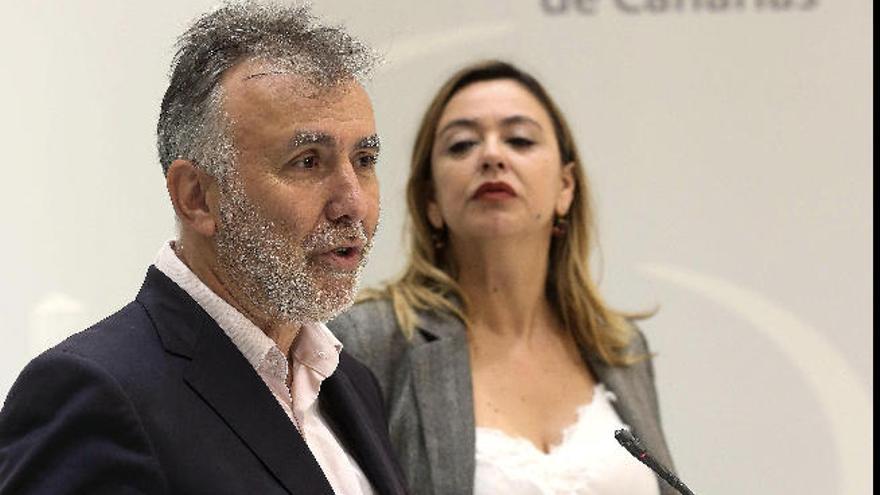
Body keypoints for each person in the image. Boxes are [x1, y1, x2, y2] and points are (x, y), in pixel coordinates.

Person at [0, 3, 407, 494]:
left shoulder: (353, 383)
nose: (353, 202)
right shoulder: (95, 393)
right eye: (307, 162)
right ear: (196, 197)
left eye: (364, 159)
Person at [328, 60, 677, 495]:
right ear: (431, 199)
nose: (492, 155)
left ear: (565, 188)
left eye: (519, 139)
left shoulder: (621, 348)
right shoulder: (368, 342)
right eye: (462, 145)